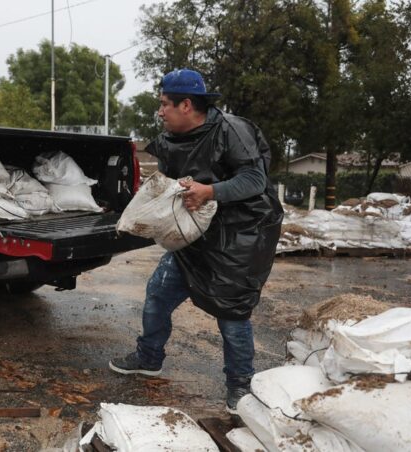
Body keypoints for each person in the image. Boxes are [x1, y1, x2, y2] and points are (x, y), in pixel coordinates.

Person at [109, 68, 283, 413]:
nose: (160, 111)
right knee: (159, 293)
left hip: (240, 236)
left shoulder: (232, 131)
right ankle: (149, 357)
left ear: (186, 105)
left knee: (231, 312)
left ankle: (240, 387)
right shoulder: (174, 138)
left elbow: (254, 179)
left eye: (164, 104)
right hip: (196, 230)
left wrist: (210, 191)